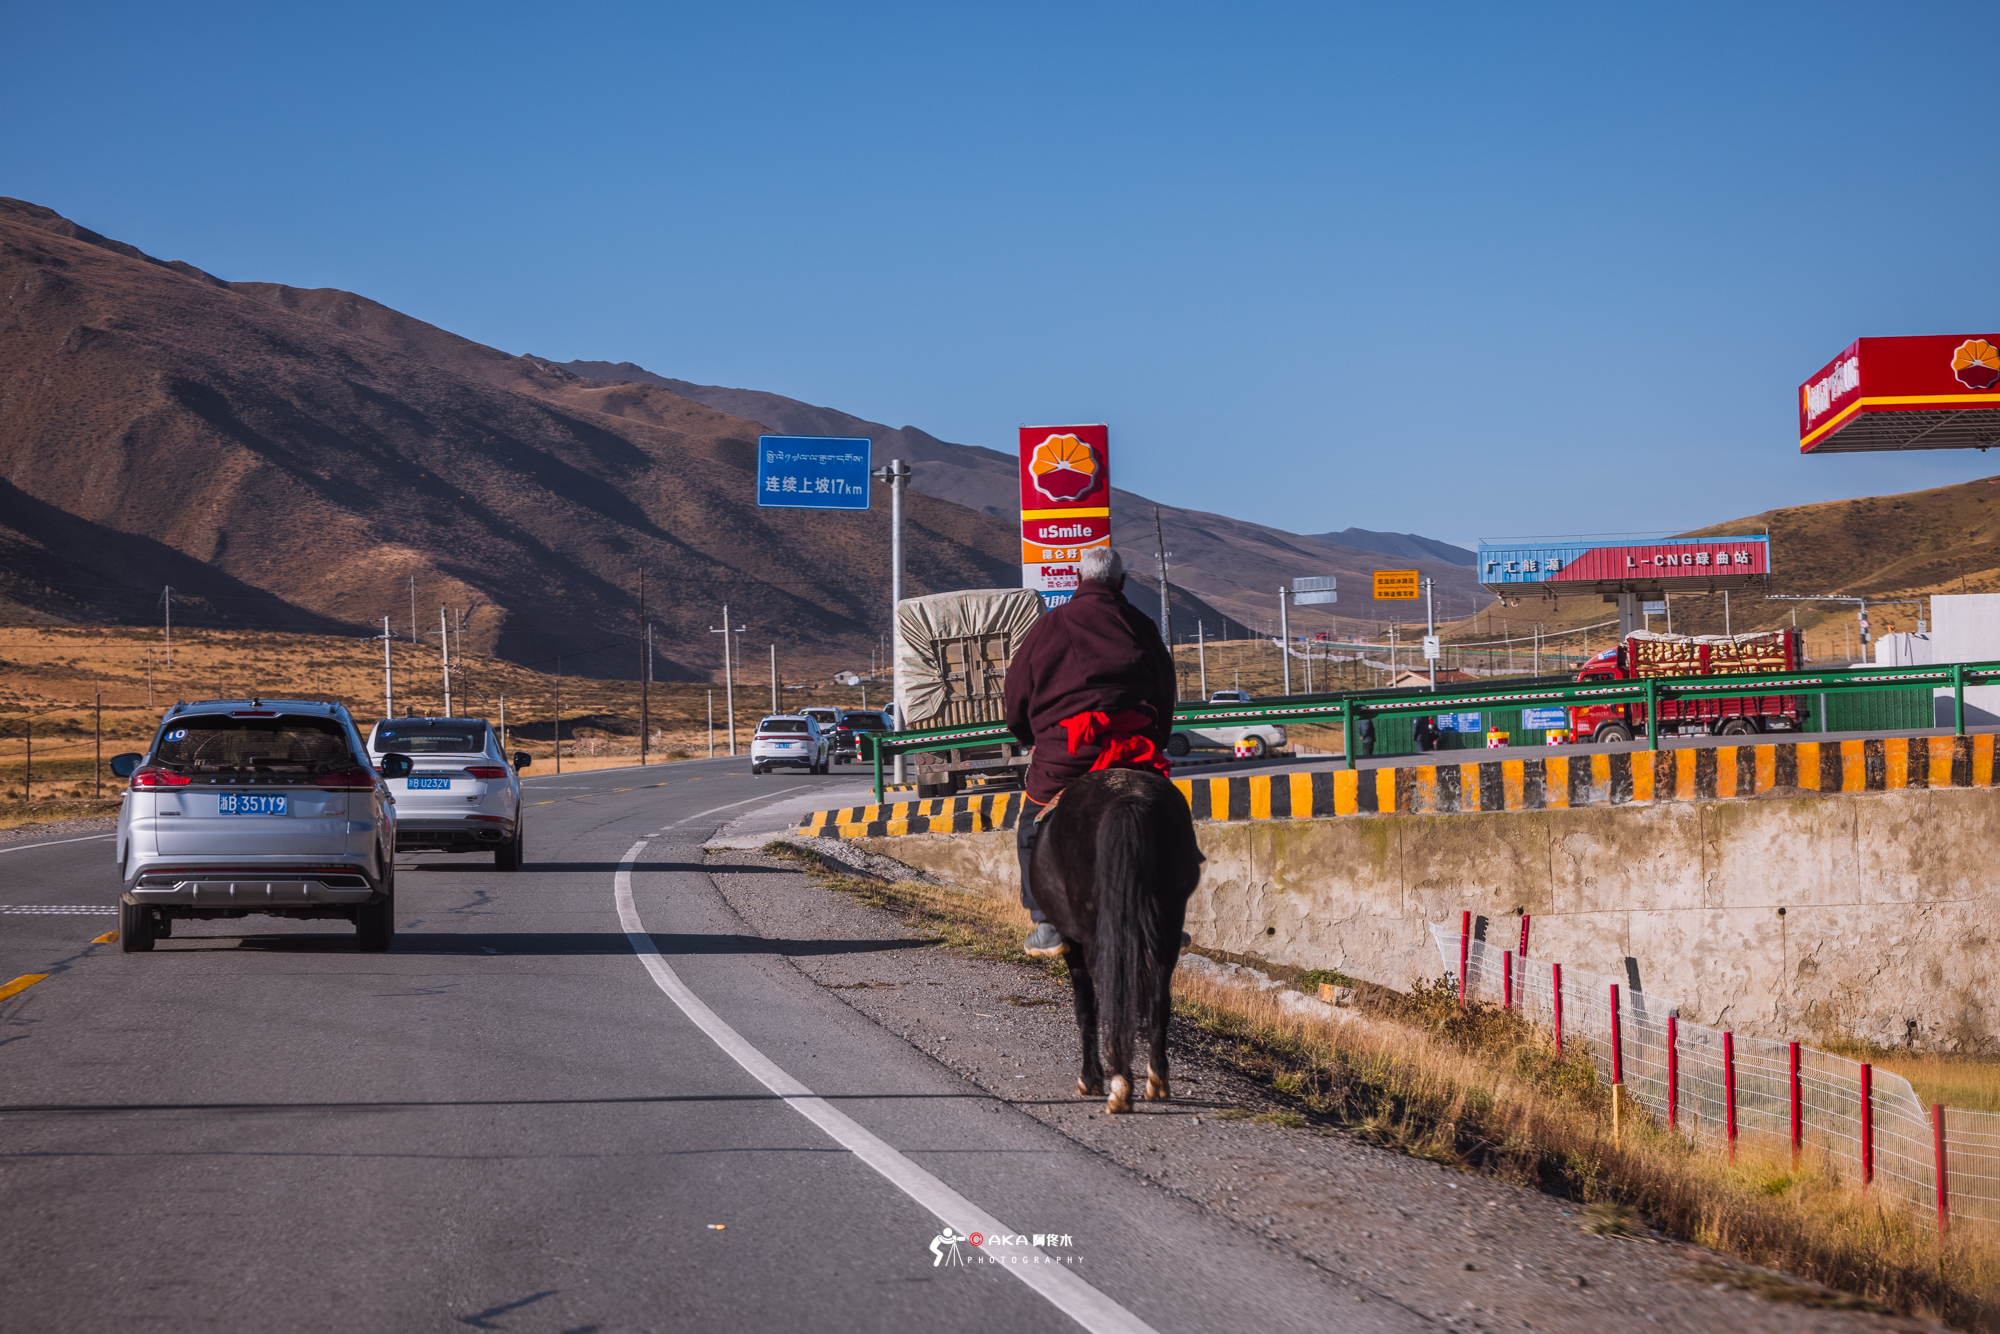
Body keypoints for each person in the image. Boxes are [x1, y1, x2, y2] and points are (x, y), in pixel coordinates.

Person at [1003, 547, 1176, 956]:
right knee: (1164, 818)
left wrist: (1028, 736)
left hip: (1066, 757)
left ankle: (1048, 924)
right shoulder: (1141, 625)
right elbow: (1165, 690)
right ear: (1122, 582)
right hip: (1131, 753)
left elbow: (1016, 694)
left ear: (1077, 580)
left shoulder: (1049, 626)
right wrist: (1158, 739)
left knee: (1030, 827)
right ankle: (1161, 912)